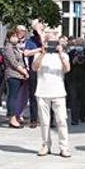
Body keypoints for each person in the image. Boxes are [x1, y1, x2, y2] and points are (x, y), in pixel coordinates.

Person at [33, 29, 71, 157]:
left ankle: (64, 147)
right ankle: (45, 144)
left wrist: (60, 54)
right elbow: (34, 67)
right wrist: (43, 53)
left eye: (53, 42)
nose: (51, 45)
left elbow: (67, 69)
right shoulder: (39, 54)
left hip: (59, 92)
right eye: (49, 42)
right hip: (42, 91)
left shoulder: (64, 55)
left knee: (61, 120)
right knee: (44, 121)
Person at [2, 28, 29, 129]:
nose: (16, 38)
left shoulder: (14, 47)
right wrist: (24, 72)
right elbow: (13, 62)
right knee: (12, 96)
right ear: (9, 38)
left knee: (16, 97)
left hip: (19, 75)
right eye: (13, 36)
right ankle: (12, 118)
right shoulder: (8, 47)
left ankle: (16, 117)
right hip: (13, 74)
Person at [66, 36, 85, 125]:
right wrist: (73, 62)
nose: (79, 45)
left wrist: (84, 62)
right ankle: (74, 119)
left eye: (80, 44)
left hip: (84, 79)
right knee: (73, 98)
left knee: (83, 98)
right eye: (77, 44)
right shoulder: (71, 53)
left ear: (84, 44)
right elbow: (66, 66)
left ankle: (82, 116)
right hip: (73, 79)